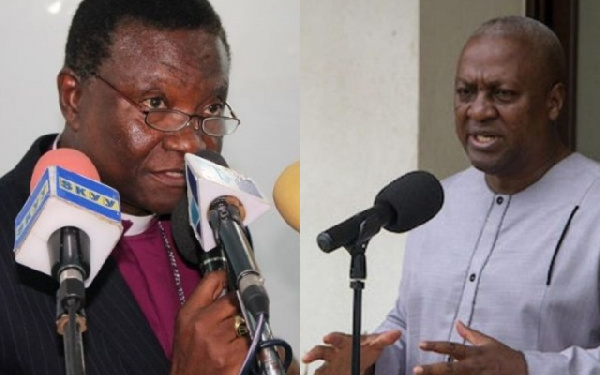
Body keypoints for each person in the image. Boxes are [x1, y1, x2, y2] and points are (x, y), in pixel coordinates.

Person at [0, 1, 297, 374]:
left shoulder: (216, 219)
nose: (191, 143)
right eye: (156, 103)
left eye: (211, 108)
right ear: (72, 97)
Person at [303, 15, 600, 375]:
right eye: (465, 92)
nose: (478, 110)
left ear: (553, 102)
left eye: (502, 94)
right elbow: (409, 324)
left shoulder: (592, 204)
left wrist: (527, 367)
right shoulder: (434, 201)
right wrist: (369, 358)